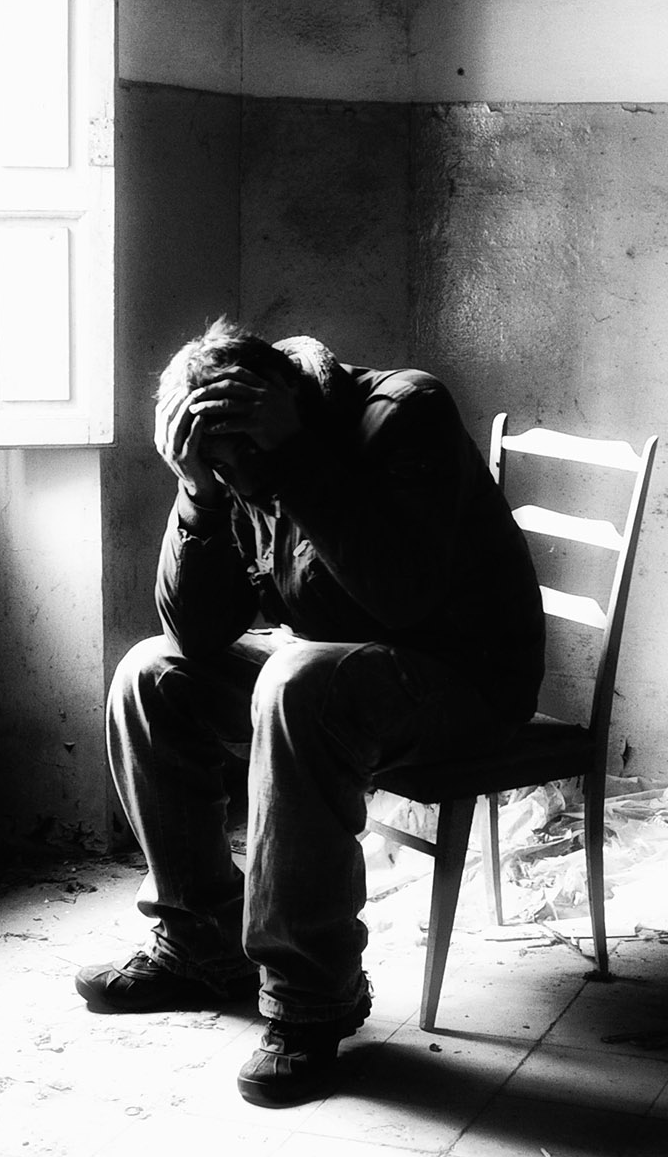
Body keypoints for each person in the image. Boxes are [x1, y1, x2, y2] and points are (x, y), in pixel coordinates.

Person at [75, 316, 546, 1107]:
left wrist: (293, 461)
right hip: (330, 664)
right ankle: (200, 945)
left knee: (300, 684)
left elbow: (400, 598)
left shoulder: (402, 411)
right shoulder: (231, 460)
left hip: (462, 683)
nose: (239, 482)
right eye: (216, 467)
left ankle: (311, 1000)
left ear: (283, 401)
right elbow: (192, 630)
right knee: (150, 674)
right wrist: (195, 494)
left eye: (240, 461)